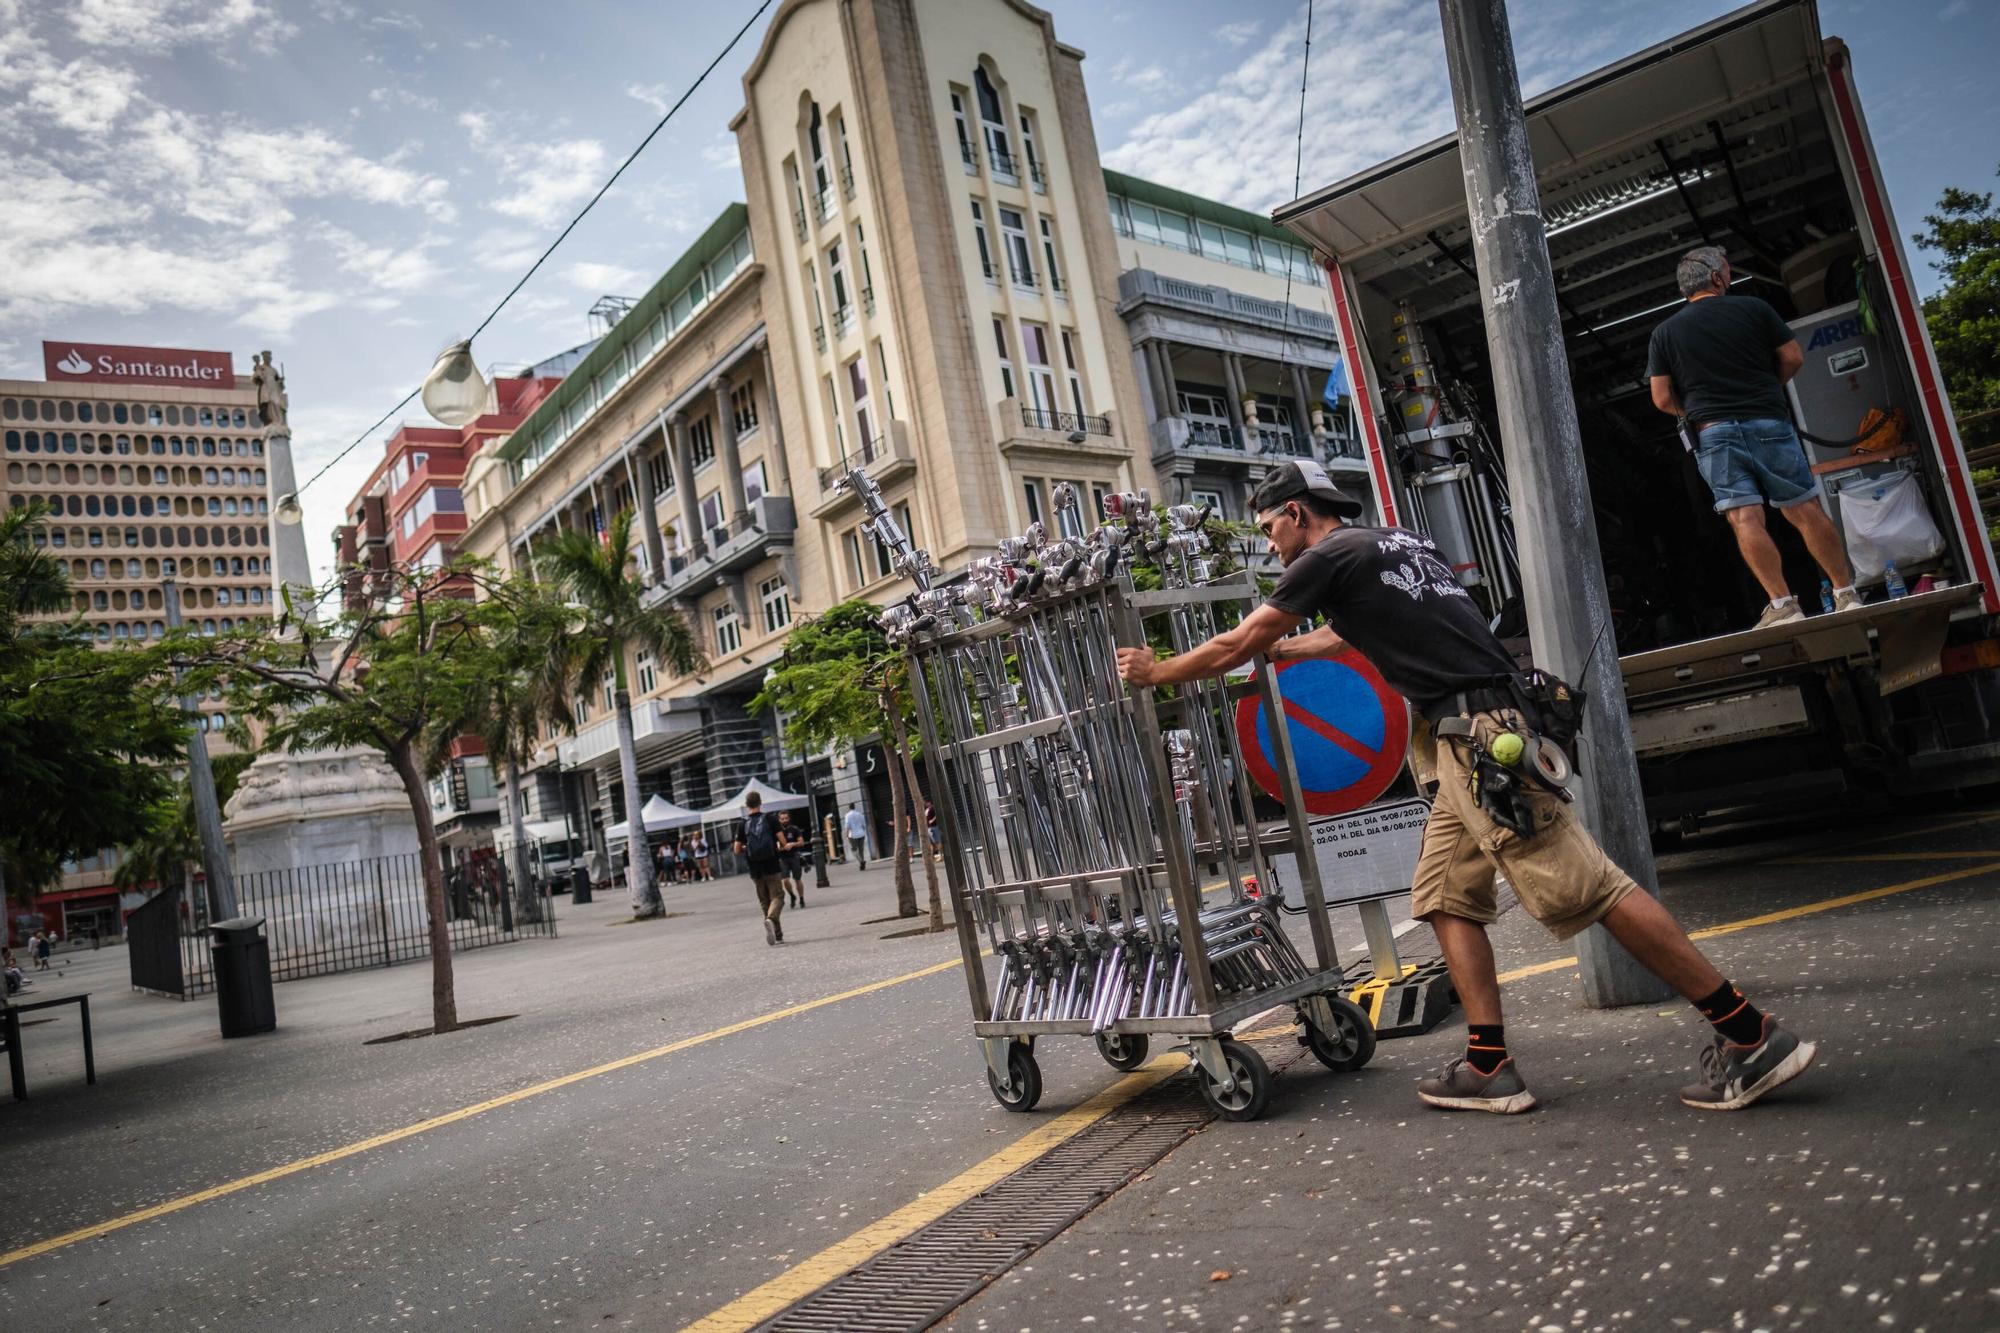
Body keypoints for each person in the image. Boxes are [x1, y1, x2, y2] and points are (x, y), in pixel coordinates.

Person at [1114, 460, 1818, 1115]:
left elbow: (1237, 643)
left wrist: (1158, 670)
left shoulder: (1324, 557)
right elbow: (1358, 631)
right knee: (1445, 892)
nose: (1270, 547)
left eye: (1269, 530)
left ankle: (1750, 1034)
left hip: (1481, 738)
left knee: (1590, 885)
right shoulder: (1393, 545)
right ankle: (1489, 1066)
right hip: (1471, 733)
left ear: (1296, 512)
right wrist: (1293, 647)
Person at [1648, 245, 1861, 629]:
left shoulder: (1665, 333)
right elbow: (1794, 357)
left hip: (1714, 433)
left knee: (1744, 516)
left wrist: (1697, 412)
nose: (1729, 277)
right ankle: (1846, 593)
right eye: (1727, 271)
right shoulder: (1755, 309)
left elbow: (1662, 398)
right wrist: (1766, 390)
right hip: (1768, 422)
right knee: (1803, 508)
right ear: (1716, 278)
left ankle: (1782, 604)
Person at [733, 792, 788, 945]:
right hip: (772, 864)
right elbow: (783, 842)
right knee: (778, 897)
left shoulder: (742, 824)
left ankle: (777, 934)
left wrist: (747, 846)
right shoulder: (770, 819)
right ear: (760, 803)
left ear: (747, 805)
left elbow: (736, 850)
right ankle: (771, 920)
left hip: (754, 868)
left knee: (764, 901)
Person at [776, 811, 807, 909]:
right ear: (779, 820)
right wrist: (781, 848)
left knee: (797, 879)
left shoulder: (794, 829)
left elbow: (802, 842)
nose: (784, 820)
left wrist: (792, 844)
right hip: (783, 857)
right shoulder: (777, 832)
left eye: (786, 818)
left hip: (794, 856)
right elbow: (775, 846)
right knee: (785, 880)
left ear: (789, 819)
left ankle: (801, 898)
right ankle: (792, 895)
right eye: (782, 819)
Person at [844, 804, 869, 870]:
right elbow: (863, 825)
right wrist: (863, 832)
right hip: (861, 834)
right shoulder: (859, 814)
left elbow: (847, 826)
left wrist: (846, 835)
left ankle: (861, 861)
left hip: (853, 835)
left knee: (854, 850)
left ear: (849, 808)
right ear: (854, 807)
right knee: (861, 850)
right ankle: (862, 863)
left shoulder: (847, 815)